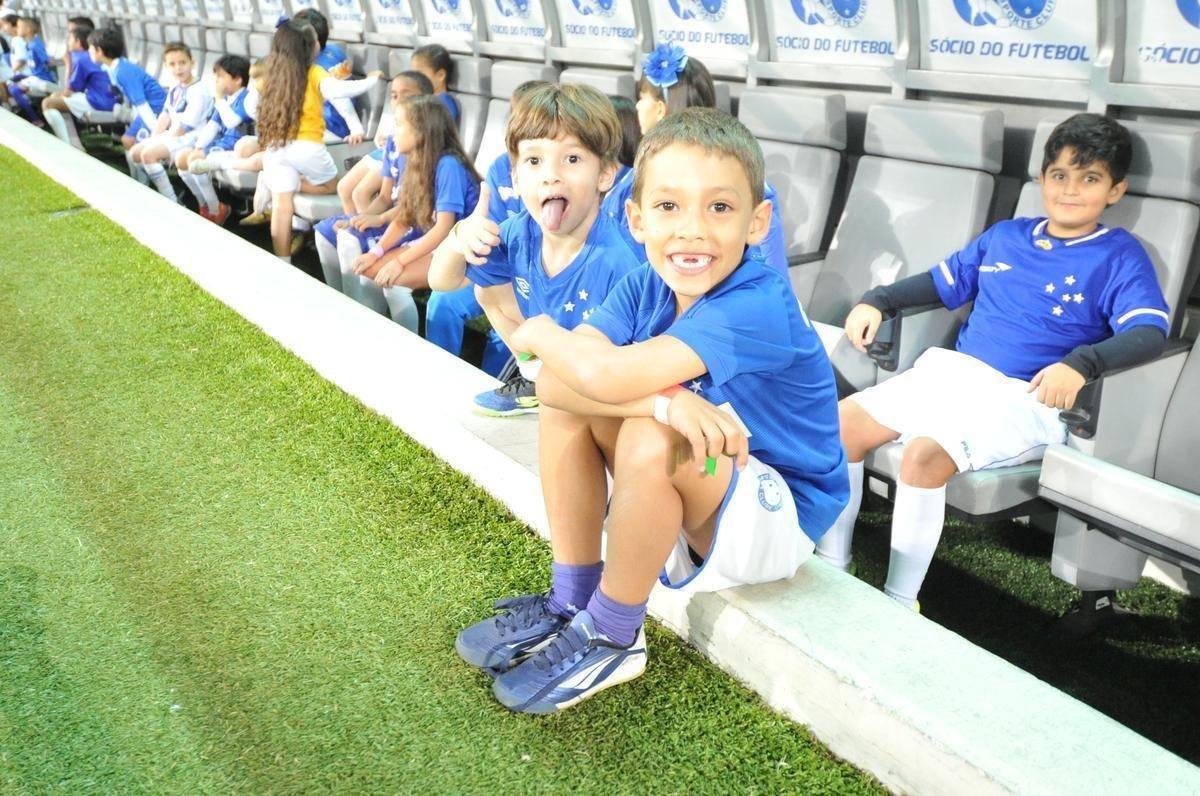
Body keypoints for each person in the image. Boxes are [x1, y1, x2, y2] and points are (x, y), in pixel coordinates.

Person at [454, 107, 847, 713]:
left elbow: (591, 370)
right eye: (669, 207)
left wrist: (538, 331)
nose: (692, 230)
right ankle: (574, 597)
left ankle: (615, 633)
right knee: (590, 412)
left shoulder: (758, 298)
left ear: (756, 221)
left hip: (777, 515)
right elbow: (556, 389)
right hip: (706, 483)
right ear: (636, 219)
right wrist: (666, 403)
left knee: (648, 436)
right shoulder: (646, 283)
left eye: (719, 208)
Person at [815, 113, 1170, 610]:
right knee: (841, 426)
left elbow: (1150, 332)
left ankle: (897, 603)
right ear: (1042, 180)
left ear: (1115, 190)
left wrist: (1082, 364)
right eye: (1060, 176)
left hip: (1027, 397)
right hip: (953, 374)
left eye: (1089, 179)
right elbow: (940, 283)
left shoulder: (1119, 255)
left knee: (923, 453)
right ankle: (834, 567)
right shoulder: (1006, 236)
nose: (1070, 190)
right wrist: (878, 299)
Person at [428, 82, 642, 418]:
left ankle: (553, 388)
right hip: (560, 365)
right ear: (514, 178)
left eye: (572, 158)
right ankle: (536, 378)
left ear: (604, 175)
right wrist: (458, 237)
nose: (551, 176)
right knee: (488, 289)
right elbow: (441, 281)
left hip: (606, 389)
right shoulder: (520, 231)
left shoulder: (617, 262)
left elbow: (630, 367)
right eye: (534, 160)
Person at [604, 43, 788, 278]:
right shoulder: (747, 181)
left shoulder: (637, 182)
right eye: (668, 207)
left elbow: (770, 271)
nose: (638, 106)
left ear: (660, 109)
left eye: (642, 97)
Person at [422, 78, 550, 379]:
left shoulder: (554, 176)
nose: (513, 123)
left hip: (535, 280)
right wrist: (467, 238)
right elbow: (486, 232)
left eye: (524, 117)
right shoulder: (499, 167)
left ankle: (502, 381)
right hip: (497, 266)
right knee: (443, 300)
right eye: (513, 115)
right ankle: (441, 374)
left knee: (504, 316)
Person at [336, 94, 480, 331]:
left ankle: (409, 343)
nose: (394, 132)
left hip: (462, 250)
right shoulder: (415, 161)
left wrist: (399, 262)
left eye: (400, 124)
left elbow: (445, 228)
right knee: (369, 268)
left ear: (421, 132)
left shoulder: (448, 165)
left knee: (391, 281)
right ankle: (371, 331)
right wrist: (376, 252)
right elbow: (405, 217)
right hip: (437, 242)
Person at [255, 18, 381, 261]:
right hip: (307, 147)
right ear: (310, 47)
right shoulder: (314, 72)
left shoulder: (270, 75)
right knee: (334, 185)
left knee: (282, 206)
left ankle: (283, 261)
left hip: (275, 148)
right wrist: (372, 80)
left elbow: (252, 104)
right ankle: (298, 184)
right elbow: (339, 90)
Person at [334, 70, 433, 218]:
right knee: (343, 187)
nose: (399, 100)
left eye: (406, 95)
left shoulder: (426, 143)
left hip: (395, 156)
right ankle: (357, 229)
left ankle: (368, 236)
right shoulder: (393, 135)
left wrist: (377, 221)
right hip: (384, 151)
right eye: (394, 96)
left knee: (360, 193)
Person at [130, 42, 213, 202]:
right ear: (166, 66)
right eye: (172, 64)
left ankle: (172, 201)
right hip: (175, 135)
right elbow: (165, 115)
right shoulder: (176, 87)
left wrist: (160, 142)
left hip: (193, 137)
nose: (178, 68)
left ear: (192, 62)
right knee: (135, 152)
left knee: (148, 154)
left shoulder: (199, 90)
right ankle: (170, 191)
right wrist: (154, 137)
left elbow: (185, 126)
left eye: (182, 63)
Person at [176, 54, 253, 225]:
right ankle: (205, 205)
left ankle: (216, 210)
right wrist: (198, 147)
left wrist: (218, 99)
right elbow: (213, 125)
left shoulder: (246, 98)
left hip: (237, 146)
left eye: (220, 76)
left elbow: (232, 121)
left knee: (194, 159)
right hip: (221, 144)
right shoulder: (225, 99)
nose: (216, 81)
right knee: (182, 158)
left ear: (238, 79)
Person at [87, 26, 167, 184]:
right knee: (128, 140)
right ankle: (138, 182)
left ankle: (147, 184)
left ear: (99, 50)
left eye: (89, 48)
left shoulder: (123, 71)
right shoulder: (115, 67)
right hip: (149, 109)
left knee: (129, 140)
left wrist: (155, 132)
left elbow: (142, 103)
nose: (88, 52)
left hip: (157, 109)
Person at [42, 21, 117, 147]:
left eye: (70, 39)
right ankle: (74, 142)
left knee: (48, 103)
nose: (67, 42)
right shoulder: (109, 58)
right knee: (59, 100)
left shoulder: (82, 59)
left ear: (78, 43)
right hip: (114, 102)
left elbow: (69, 89)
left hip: (97, 102)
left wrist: (68, 64)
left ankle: (70, 145)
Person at [2, 16, 56, 121]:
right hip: (34, 76)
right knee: (10, 80)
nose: (17, 29)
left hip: (41, 78)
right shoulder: (29, 44)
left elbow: (48, 61)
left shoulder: (35, 45)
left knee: (14, 90)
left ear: (28, 29)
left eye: (20, 27)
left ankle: (35, 119)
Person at [410, 43, 459, 126]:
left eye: (420, 74)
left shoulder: (443, 105)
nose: (415, 78)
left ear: (440, 75)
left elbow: (432, 135)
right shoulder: (422, 100)